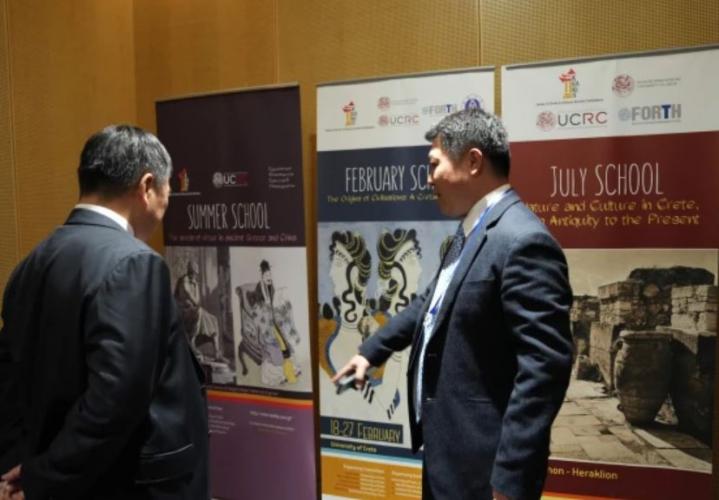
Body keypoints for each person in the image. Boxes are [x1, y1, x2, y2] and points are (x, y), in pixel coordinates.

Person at [332, 109, 574, 500]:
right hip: (449, 457)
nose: (428, 179)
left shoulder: (522, 241)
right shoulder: (474, 230)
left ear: (473, 161)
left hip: (485, 473)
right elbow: (431, 303)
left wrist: (511, 478)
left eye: (433, 165)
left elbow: (544, 368)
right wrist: (371, 351)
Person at [0, 125, 209, 499]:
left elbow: (9, 384)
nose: (165, 207)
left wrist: (24, 471)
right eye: (168, 193)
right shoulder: (136, 262)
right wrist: (46, 474)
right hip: (131, 485)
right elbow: (116, 400)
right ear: (147, 187)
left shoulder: (30, 264)